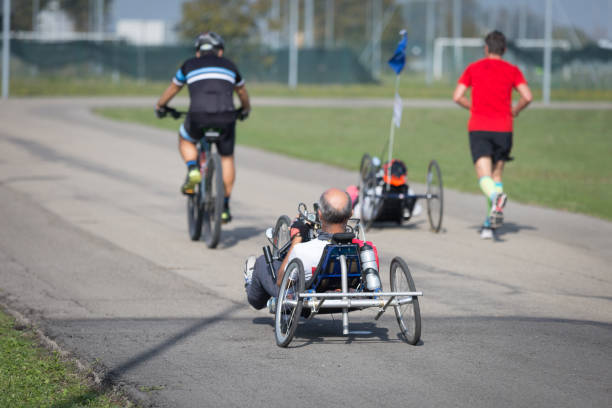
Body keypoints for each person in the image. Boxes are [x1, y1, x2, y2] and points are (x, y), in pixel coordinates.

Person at [155, 31, 251, 223]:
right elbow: (241, 92)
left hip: (198, 116)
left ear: (198, 52)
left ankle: (193, 169)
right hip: (226, 117)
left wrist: (160, 106)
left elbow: (173, 88)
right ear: (220, 51)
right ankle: (224, 206)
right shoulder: (230, 66)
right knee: (226, 157)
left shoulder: (189, 64)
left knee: (185, 138)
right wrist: (245, 110)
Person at [452, 30, 532, 239]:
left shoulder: (474, 68)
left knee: (484, 176)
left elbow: (457, 96)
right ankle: (489, 224)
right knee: (496, 176)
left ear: (486, 49)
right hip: (504, 129)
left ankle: (496, 199)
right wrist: (515, 110)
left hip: (479, 127)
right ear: (504, 50)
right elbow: (527, 96)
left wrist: (472, 106)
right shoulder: (512, 70)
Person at [243, 188, 356, 311]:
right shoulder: (361, 249)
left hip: (301, 296)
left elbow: (282, 282)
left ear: (320, 214)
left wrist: (297, 240)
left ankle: (251, 285)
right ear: (351, 213)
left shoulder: (302, 250)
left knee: (262, 263)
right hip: (343, 289)